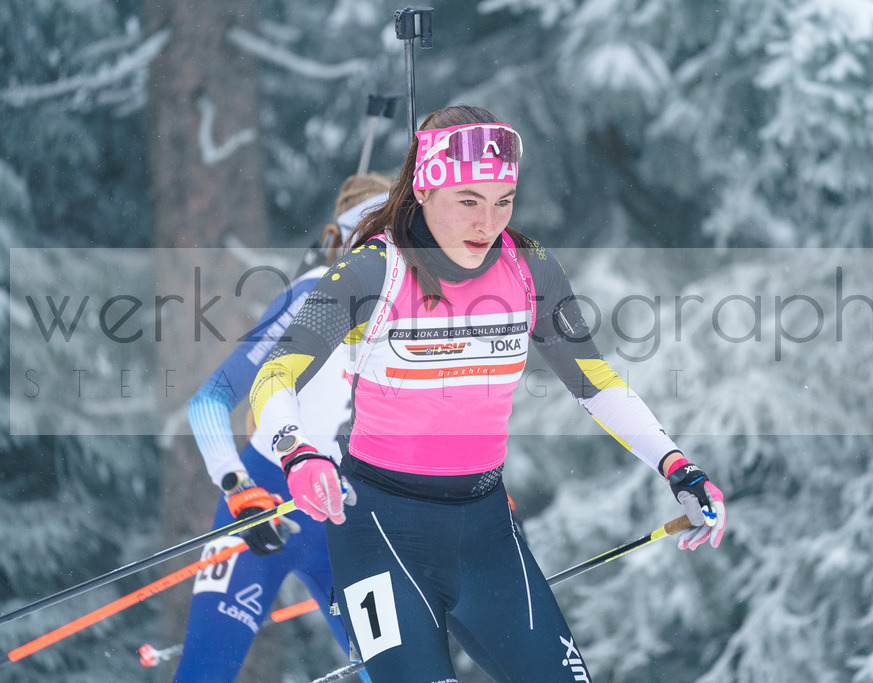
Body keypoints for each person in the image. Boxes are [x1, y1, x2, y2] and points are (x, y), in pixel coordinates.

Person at [249, 105, 727, 681]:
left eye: (503, 201)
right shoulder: (374, 272)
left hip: (486, 532)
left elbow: (595, 383)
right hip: (380, 530)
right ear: (424, 190)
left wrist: (678, 466)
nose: (488, 223)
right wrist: (296, 453)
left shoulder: (529, 271)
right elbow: (274, 375)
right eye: (469, 201)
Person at [172, 173, 390, 682]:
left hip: (346, 520)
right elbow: (208, 402)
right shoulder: (312, 295)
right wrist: (237, 486)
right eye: (379, 235)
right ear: (349, 237)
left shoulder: (406, 312)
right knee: (204, 674)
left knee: (395, 673)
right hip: (264, 503)